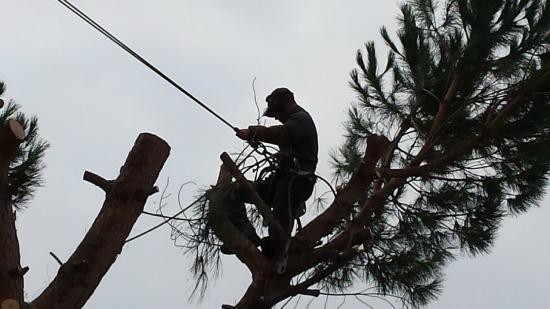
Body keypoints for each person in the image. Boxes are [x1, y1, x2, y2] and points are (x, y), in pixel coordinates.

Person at [222, 87, 318, 257]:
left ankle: (278, 249)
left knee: (281, 209)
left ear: (285, 106)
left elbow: (283, 133)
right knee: (236, 191)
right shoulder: (294, 121)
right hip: (282, 179)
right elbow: (288, 142)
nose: (277, 118)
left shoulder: (301, 119)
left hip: (297, 182)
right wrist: (281, 155)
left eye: (276, 113)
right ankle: (246, 237)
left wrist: (253, 133)